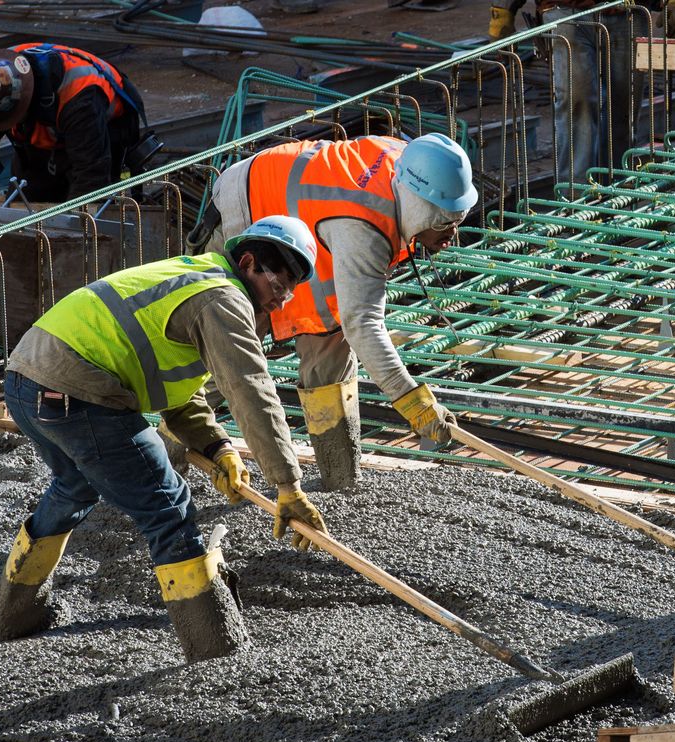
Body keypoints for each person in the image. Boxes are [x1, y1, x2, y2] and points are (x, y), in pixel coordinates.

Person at [0, 216, 330, 663]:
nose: (281, 299)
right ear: (248, 261)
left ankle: (15, 616)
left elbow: (176, 393)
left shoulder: (192, 277)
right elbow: (251, 389)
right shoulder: (224, 301)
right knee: (168, 507)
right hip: (79, 392)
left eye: (290, 290)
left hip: (25, 381)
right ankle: (216, 646)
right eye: (279, 283)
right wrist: (288, 484)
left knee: (74, 485)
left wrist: (218, 448)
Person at [188, 133, 475, 492]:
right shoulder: (363, 229)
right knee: (230, 349)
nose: (453, 232)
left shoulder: (411, 165)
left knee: (331, 341)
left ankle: (340, 481)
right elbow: (364, 323)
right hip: (250, 205)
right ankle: (162, 474)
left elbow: (349, 320)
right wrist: (412, 401)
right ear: (418, 207)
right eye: (445, 221)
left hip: (307, 220)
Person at [488, 0, 675, 183]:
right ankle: (575, 192)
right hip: (566, 12)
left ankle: (616, 187)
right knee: (577, 99)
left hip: (628, 11)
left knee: (623, 103)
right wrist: (503, 11)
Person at [0, 43, 153, 202]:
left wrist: (72, 226)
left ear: (26, 100)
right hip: (52, 123)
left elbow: (90, 178)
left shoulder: (80, 100)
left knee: (83, 200)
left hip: (103, 130)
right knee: (23, 202)